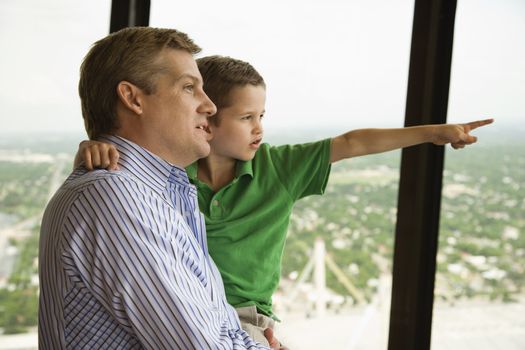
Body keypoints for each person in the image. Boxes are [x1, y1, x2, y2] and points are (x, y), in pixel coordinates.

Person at [76, 55, 494, 346]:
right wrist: (92, 150)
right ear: (206, 118)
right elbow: (127, 168)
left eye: (262, 117)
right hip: (184, 309)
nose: (259, 129)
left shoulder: (280, 167)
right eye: (246, 118)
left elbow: (353, 141)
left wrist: (432, 133)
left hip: (245, 319)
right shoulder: (170, 170)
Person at [39, 28, 279, 350]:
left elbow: (214, 327)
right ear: (133, 98)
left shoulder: (159, 195)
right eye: (189, 88)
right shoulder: (117, 200)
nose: (209, 106)